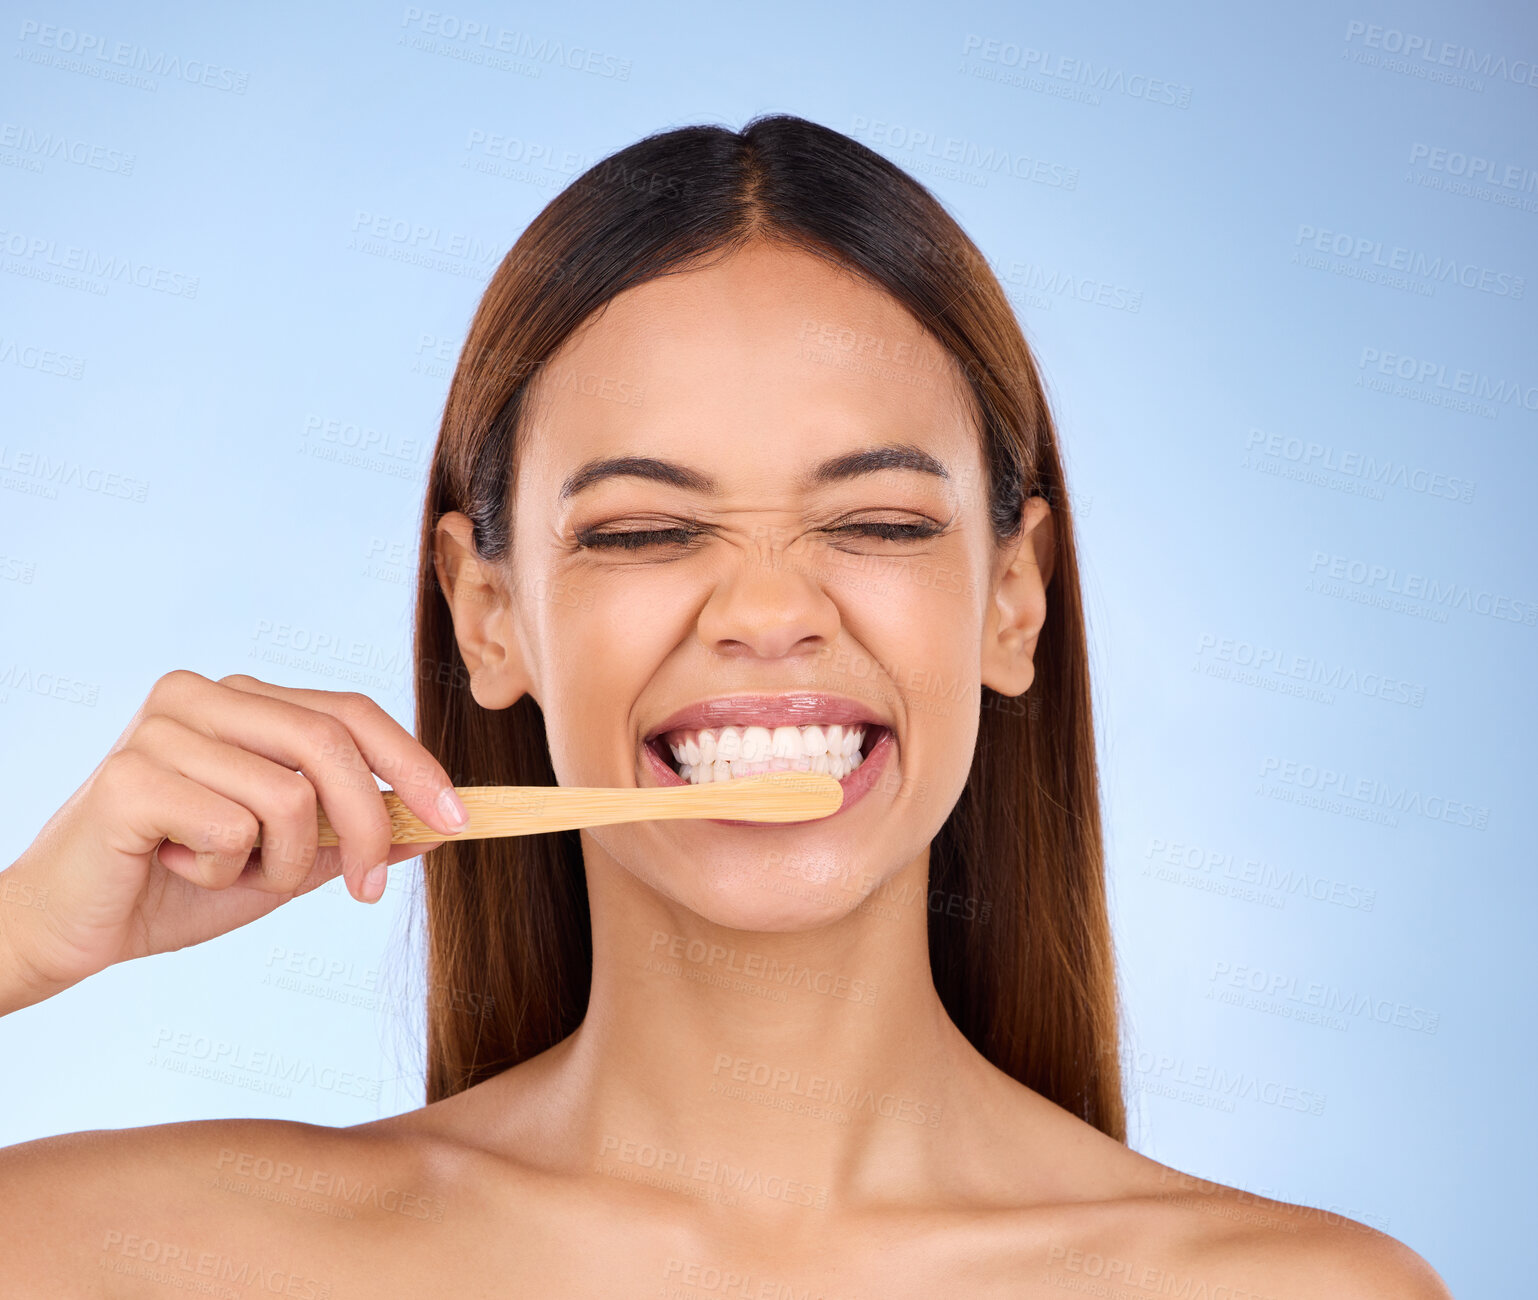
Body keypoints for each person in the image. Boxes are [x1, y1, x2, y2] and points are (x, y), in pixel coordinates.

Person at [0, 114, 1451, 1297]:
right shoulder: (143, 1257)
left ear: (1014, 597)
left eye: (877, 523)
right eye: (643, 532)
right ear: (486, 614)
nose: (767, 611)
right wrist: (19, 935)